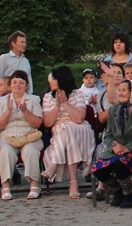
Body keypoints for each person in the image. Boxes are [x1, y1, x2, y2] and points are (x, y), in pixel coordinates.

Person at [91, 79, 132, 209]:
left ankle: (127, 195)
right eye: (119, 90)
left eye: (124, 90)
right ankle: (118, 190)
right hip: (116, 149)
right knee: (97, 168)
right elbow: (108, 135)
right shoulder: (114, 109)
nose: (120, 93)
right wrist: (114, 147)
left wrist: (126, 148)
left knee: (120, 163)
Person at [40, 66, 94, 199]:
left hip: (80, 129)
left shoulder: (77, 94)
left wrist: (65, 103)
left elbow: (79, 118)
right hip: (60, 131)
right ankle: (73, 183)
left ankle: (53, 165)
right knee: (66, 131)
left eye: (53, 79)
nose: (50, 82)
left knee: (68, 129)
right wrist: (58, 105)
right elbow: (47, 123)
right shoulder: (47, 97)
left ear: (61, 79)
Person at [0, 70, 44, 201]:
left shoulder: (34, 99)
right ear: (10, 86)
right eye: (14, 82)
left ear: (26, 86)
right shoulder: (3, 101)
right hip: (8, 137)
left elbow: (37, 123)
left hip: (29, 136)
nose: (17, 85)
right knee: (5, 152)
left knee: (30, 151)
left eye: (21, 82)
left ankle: (34, 185)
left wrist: (25, 111)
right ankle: (5, 187)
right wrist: (9, 110)